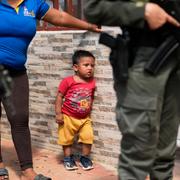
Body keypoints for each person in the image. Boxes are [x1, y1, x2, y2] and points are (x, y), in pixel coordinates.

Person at [0, 0, 101, 180]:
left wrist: (88, 26)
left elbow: (60, 17)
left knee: (20, 120)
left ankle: (27, 171)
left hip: (16, 72)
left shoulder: (32, 3)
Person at [84, 0, 180, 180]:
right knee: (137, 158)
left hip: (175, 60)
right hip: (145, 61)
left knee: (165, 156)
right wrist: (142, 10)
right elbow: (94, 9)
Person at [55, 50, 96, 171]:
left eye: (92, 65)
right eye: (86, 65)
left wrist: (89, 109)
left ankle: (85, 158)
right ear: (75, 67)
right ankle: (68, 158)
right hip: (68, 116)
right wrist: (58, 114)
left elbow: (90, 97)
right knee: (66, 139)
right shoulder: (68, 81)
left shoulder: (92, 82)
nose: (90, 68)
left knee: (88, 137)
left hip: (84, 118)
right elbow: (59, 97)